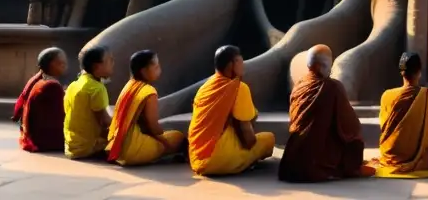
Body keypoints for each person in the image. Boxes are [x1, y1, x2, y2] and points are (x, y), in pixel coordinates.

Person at [278, 45, 374, 182]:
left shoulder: (299, 84)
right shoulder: (333, 87)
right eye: (329, 63)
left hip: (292, 161)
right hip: (315, 164)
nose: (331, 68)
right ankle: (346, 168)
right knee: (353, 138)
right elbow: (350, 127)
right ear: (319, 66)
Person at [188, 45, 275, 177]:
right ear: (231, 65)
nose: (243, 65)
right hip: (220, 160)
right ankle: (243, 163)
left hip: (197, 160)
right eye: (240, 61)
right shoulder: (239, 88)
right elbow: (248, 138)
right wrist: (252, 148)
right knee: (268, 139)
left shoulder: (204, 88)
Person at [374, 51, 428, 178]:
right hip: (421, 154)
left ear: (401, 72)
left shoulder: (387, 95)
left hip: (392, 154)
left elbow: (384, 125)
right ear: (419, 72)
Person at [106, 50, 186, 166]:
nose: (159, 69)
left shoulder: (128, 86)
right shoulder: (149, 92)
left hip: (117, 148)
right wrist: (166, 143)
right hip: (132, 150)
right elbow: (153, 127)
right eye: (156, 66)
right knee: (177, 137)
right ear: (144, 71)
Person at [13, 47, 67, 153]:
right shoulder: (52, 85)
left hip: (33, 135)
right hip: (44, 141)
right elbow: (62, 113)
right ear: (52, 65)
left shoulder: (38, 79)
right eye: (61, 63)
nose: (65, 66)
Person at [64, 45, 114, 159]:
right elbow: (105, 122)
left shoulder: (73, 85)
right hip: (87, 148)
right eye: (109, 60)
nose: (113, 63)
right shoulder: (97, 88)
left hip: (71, 146)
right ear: (97, 66)